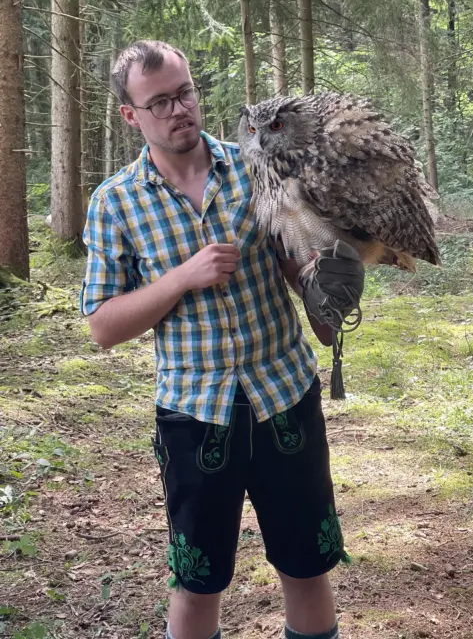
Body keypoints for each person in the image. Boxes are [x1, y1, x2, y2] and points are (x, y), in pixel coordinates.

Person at [80, 40, 364, 639]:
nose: (179, 109)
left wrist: (330, 286)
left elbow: (303, 282)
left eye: (185, 93)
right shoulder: (115, 203)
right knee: (197, 579)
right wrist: (183, 277)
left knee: (306, 566)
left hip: (284, 397)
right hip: (192, 415)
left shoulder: (259, 168)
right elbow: (103, 325)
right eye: (158, 102)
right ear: (131, 115)